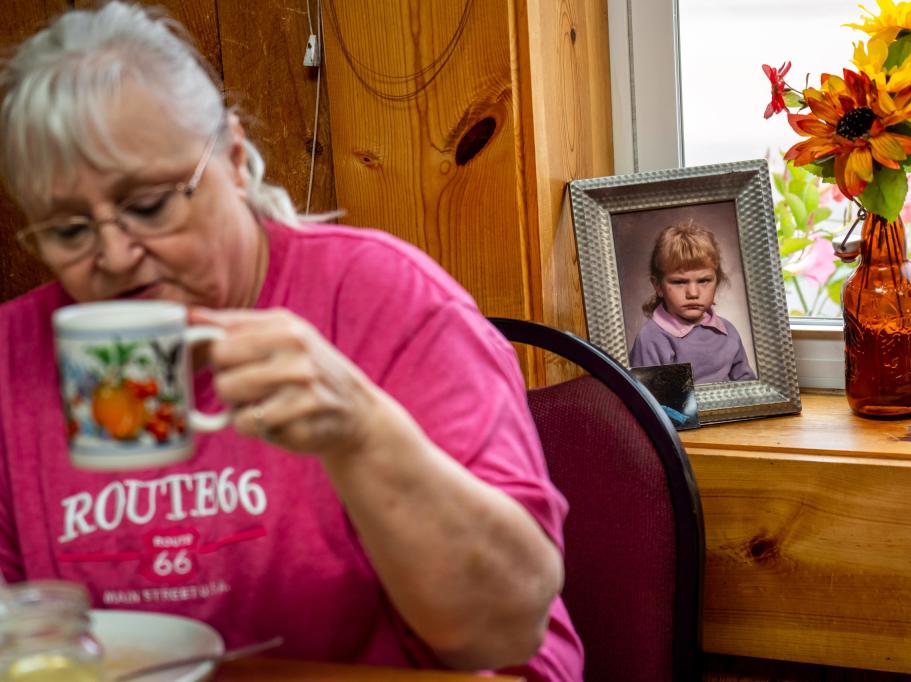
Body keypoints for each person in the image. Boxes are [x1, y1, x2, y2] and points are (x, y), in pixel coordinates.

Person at [0, 3, 582, 680]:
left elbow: (504, 631)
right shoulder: (15, 354)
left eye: (152, 205)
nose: (117, 255)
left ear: (236, 158)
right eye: (70, 231)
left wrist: (361, 433)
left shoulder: (384, 300)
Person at [629, 219, 756, 383]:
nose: (693, 293)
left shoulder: (728, 331)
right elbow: (651, 401)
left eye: (704, 281)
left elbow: (749, 387)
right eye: (679, 282)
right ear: (658, 286)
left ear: (716, 282)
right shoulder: (651, 338)